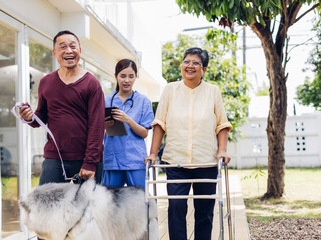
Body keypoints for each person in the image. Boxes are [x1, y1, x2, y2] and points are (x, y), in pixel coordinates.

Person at [144, 47, 232, 240]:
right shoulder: (170, 90)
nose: (190, 66)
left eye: (195, 63)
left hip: (206, 161)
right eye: (187, 61)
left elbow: (222, 125)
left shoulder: (213, 92)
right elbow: (160, 124)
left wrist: (222, 150)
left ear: (204, 69)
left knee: (205, 211)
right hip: (176, 161)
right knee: (176, 208)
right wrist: (152, 153)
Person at [19, 30, 105, 185]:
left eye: (73, 46)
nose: (69, 51)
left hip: (85, 159)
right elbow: (41, 116)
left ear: (79, 50)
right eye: (63, 47)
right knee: (48, 205)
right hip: (54, 158)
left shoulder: (92, 83)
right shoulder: (46, 82)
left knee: (86, 209)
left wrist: (90, 162)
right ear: (54, 53)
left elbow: (97, 126)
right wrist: (29, 118)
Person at [102, 59, 154, 188]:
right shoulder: (105, 100)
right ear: (116, 77)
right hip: (112, 160)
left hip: (135, 160)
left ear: (135, 77)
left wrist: (128, 120)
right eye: (123, 76)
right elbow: (95, 130)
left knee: (140, 201)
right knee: (110, 203)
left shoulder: (143, 101)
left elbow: (144, 133)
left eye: (131, 76)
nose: (127, 80)